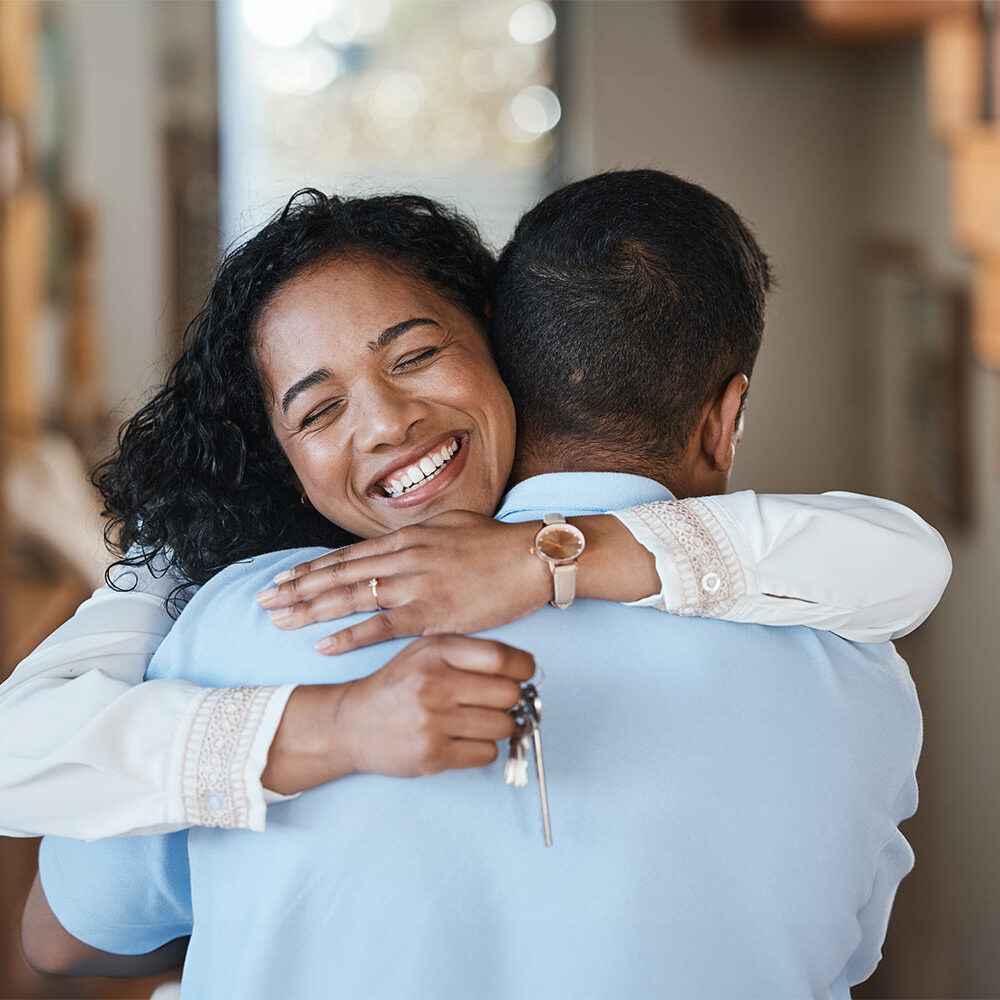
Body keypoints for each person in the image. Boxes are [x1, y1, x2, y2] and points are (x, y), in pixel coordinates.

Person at [25, 170, 927, 996]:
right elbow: (842, 955)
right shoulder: (855, 665)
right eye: (320, 407)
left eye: (413, 356)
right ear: (726, 421)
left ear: (498, 343)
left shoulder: (240, 626)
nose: (386, 423)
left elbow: (68, 934)